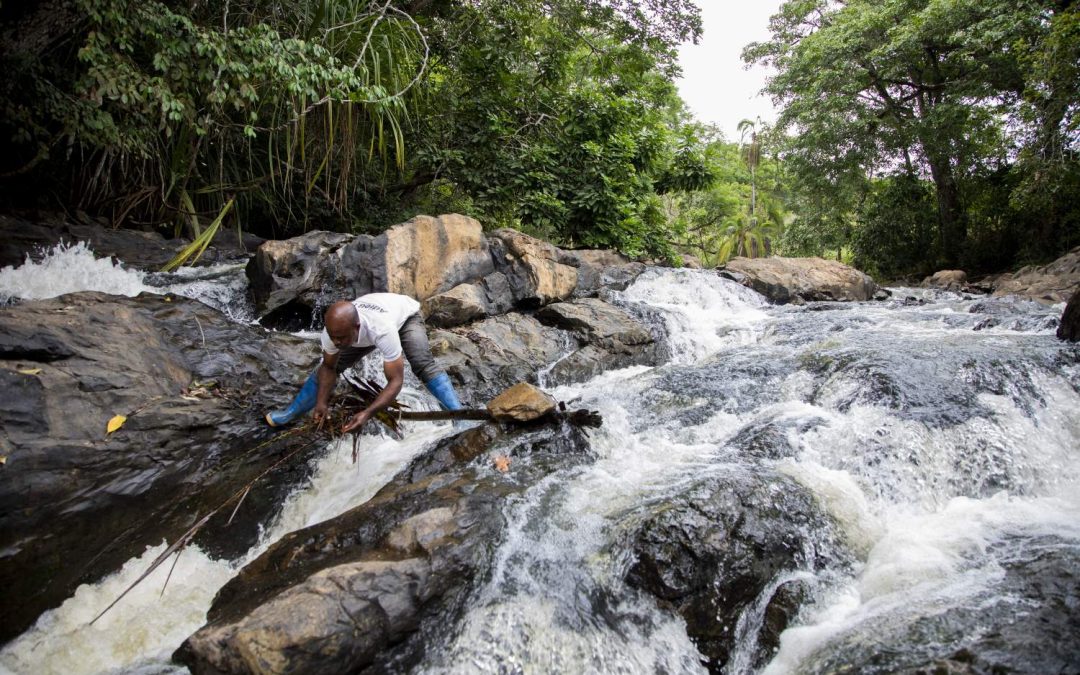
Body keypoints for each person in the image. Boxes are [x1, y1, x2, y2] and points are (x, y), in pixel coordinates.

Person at [265, 293, 464, 433]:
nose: (336, 342)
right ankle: (290, 413)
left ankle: (459, 416)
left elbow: (395, 381)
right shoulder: (334, 333)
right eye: (333, 337)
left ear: (356, 328)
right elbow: (328, 367)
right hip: (366, 324)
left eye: (340, 338)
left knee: (422, 363)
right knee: (331, 363)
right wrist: (321, 402)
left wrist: (368, 413)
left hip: (405, 318)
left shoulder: (382, 329)